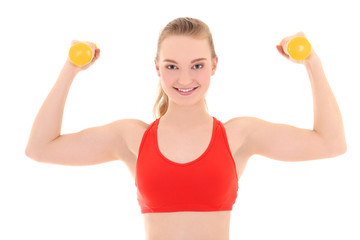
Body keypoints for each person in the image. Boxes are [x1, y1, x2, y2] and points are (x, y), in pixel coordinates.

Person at [25, 17, 347, 240]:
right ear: (157, 68)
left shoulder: (239, 136)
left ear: (214, 65)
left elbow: (331, 143)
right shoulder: (132, 138)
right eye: (171, 66)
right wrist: (71, 69)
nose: (184, 79)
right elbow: (40, 148)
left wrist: (312, 62)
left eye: (197, 65)